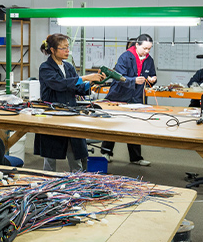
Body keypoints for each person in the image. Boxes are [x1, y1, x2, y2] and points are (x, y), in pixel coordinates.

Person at [35, 34, 105, 172]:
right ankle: (48, 180)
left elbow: (77, 88)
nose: (67, 51)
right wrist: (85, 77)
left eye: (68, 47)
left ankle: (78, 180)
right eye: (63, 48)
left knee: (76, 151)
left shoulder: (68, 67)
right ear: (53, 50)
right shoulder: (45, 68)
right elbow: (59, 84)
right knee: (50, 155)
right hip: (53, 114)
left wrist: (91, 83)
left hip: (71, 113)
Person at [101, 34, 157, 166]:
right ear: (137, 45)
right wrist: (134, 80)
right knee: (113, 125)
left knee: (135, 126)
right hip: (119, 96)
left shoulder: (149, 60)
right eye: (144, 48)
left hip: (136, 97)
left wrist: (152, 79)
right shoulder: (125, 57)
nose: (147, 51)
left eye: (149, 49)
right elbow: (118, 77)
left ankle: (136, 157)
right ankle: (106, 152)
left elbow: (152, 75)